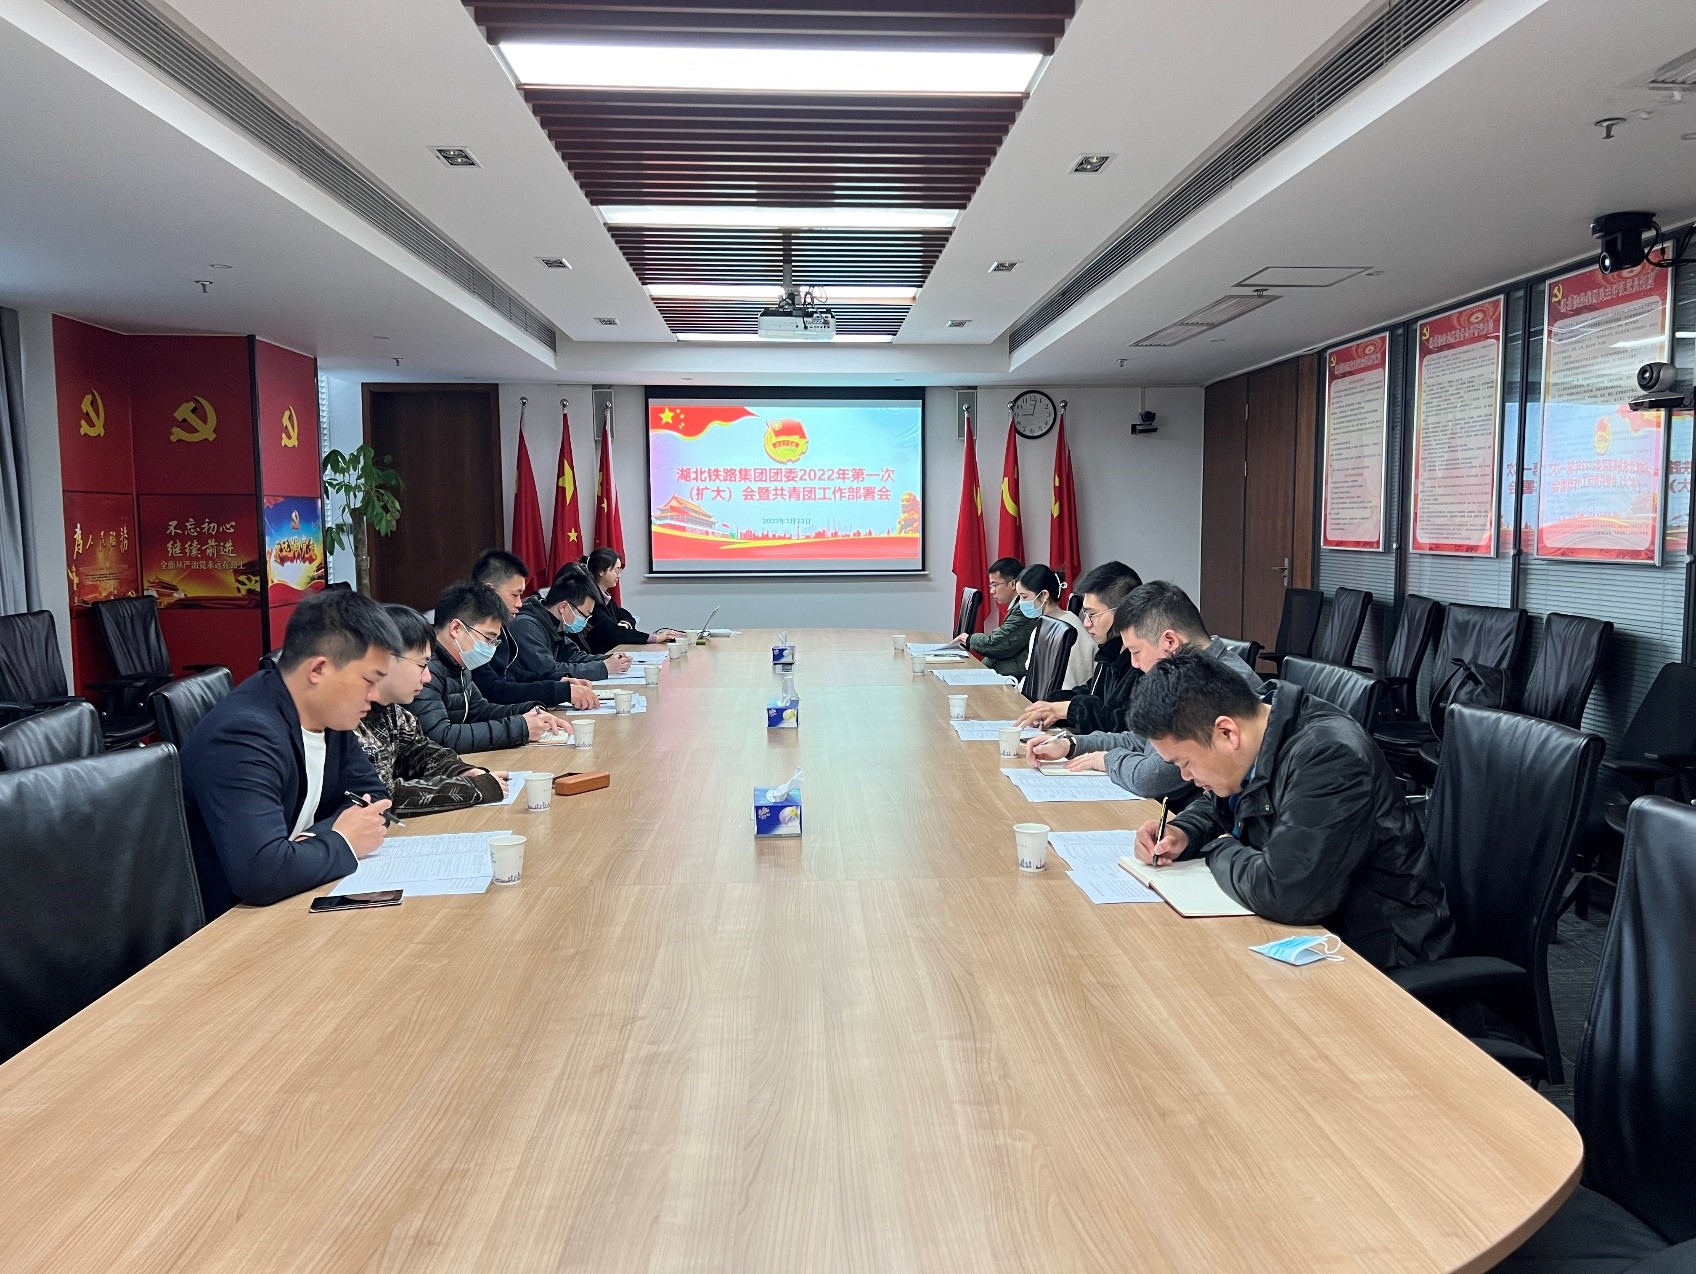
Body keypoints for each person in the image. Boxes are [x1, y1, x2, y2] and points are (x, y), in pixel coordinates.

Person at [1127, 648, 1453, 971]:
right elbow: (1229, 798)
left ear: (1227, 733)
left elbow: (1286, 893)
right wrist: (1184, 831)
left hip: (1383, 956)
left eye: (1184, 762)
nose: (1185, 776)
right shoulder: (1260, 728)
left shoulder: (1329, 758)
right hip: (1324, 936)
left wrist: (1218, 848)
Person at [180, 589, 401, 917]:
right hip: (228, 924)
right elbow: (261, 873)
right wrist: (343, 840)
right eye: (369, 680)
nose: (375, 695)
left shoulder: (330, 714)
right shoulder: (244, 734)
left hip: (291, 900)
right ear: (319, 670)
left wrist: (311, 843)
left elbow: (374, 797)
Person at [1026, 580, 1263, 799]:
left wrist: (1107, 760)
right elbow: (1142, 740)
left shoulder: (1213, 685)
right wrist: (1073, 745)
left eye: (1136, 651)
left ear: (1170, 642)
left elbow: (1152, 776)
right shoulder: (1186, 675)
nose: (1134, 664)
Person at [355, 604, 508, 816]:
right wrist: (473, 788)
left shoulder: (392, 712)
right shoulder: (348, 720)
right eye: (421, 665)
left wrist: (462, 771)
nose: (427, 677)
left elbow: (422, 751)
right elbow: (381, 797)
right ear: (384, 660)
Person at [413, 580, 571, 753]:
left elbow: (480, 711)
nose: (491, 647)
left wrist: (529, 711)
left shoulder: (460, 664)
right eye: (488, 639)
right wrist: (521, 728)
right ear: (456, 628)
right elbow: (440, 738)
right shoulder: (425, 670)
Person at [1016, 561, 1142, 732]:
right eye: (1085, 614)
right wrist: (1052, 704)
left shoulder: (1141, 663)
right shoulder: (1110, 651)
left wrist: (1069, 709)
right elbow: (1092, 692)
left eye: (1092, 614)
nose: (1086, 623)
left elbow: (1121, 725)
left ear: (1123, 613)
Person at [469, 549, 599, 710]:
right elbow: (494, 690)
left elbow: (511, 674)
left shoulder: (502, 627)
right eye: (515, 595)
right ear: (489, 590)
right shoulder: (471, 632)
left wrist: (559, 680)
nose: (519, 603)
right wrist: (561, 691)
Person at [510, 565, 634, 686]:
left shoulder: (555, 623)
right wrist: (603, 668)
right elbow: (550, 671)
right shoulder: (525, 626)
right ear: (564, 607)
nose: (585, 621)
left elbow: (573, 656)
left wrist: (607, 659)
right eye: (584, 615)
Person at [941, 557, 1035, 678]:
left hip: (1012, 675)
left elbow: (997, 645)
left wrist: (969, 639)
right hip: (1005, 668)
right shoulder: (1019, 606)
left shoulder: (1025, 609)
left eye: (995, 585)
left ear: (1013, 584)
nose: (991, 591)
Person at [581, 547, 687, 653]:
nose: (619, 575)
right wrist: (656, 638)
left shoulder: (606, 597)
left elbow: (625, 615)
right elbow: (613, 633)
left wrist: (625, 624)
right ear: (601, 572)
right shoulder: (591, 600)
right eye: (616, 571)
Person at [1015, 563, 1096, 693]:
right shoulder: (1069, 618)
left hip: (1059, 699)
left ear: (1044, 595)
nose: (1021, 602)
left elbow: (1061, 683)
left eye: (1024, 597)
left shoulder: (1054, 629)